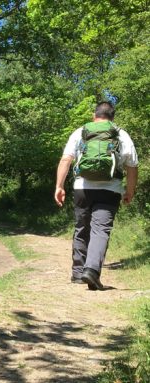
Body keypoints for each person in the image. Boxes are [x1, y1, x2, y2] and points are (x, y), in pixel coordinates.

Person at [54, 101, 138, 290]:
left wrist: (59, 186)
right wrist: (129, 191)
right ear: (112, 116)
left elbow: (66, 159)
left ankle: (77, 273)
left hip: (82, 187)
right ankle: (91, 271)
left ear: (94, 115)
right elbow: (132, 166)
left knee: (81, 227)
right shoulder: (120, 134)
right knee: (100, 229)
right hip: (110, 190)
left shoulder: (80, 132)